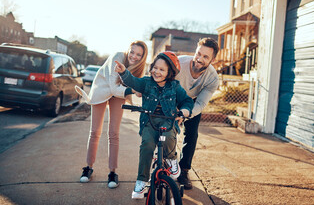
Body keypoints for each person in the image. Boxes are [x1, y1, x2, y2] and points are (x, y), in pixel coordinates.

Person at [114, 51, 194, 199]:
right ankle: (141, 180)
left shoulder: (175, 86)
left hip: (167, 121)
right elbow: (132, 81)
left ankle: (171, 159)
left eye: (162, 69)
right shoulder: (146, 82)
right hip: (149, 122)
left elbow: (187, 101)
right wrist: (124, 72)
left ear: (170, 72)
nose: (157, 71)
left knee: (169, 137)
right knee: (147, 146)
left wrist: (183, 111)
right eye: (155, 67)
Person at [74, 41, 148, 189]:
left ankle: (112, 172)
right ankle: (88, 168)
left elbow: (135, 85)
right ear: (128, 49)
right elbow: (114, 88)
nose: (134, 56)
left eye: (138, 55)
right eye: (132, 52)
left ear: (142, 57)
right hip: (103, 90)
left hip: (118, 95)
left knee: (113, 133)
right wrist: (133, 91)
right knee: (95, 131)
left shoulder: (140, 67)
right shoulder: (118, 57)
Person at [176, 37, 220, 190]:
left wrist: (185, 114)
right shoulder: (178, 64)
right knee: (166, 131)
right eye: (198, 54)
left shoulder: (213, 79)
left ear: (212, 60)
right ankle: (163, 164)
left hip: (193, 102)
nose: (199, 59)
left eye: (205, 57)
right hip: (172, 98)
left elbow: (201, 103)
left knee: (192, 135)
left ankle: (183, 171)